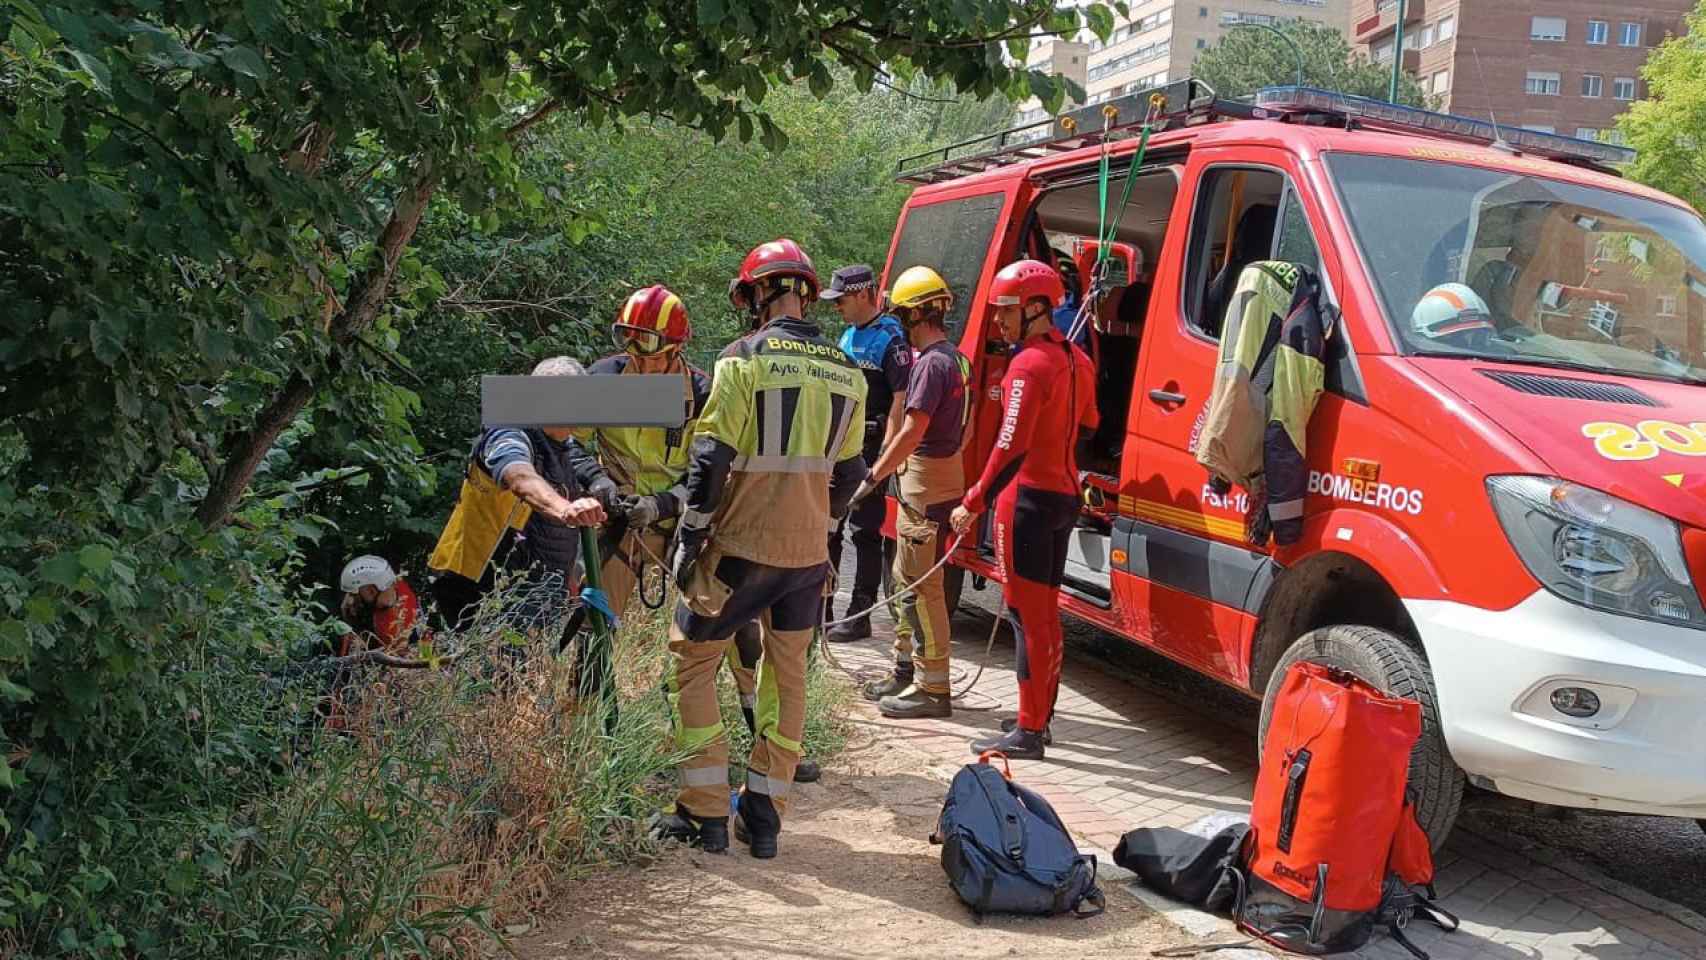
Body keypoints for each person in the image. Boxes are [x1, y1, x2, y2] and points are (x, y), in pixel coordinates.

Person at [654, 239, 867, 858]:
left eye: (748, 295)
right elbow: (851, 473)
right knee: (788, 675)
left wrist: (690, 536)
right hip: (807, 560)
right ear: (805, 291)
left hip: (738, 550)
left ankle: (704, 810)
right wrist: (818, 525)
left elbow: (711, 457)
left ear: (759, 293)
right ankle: (765, 816)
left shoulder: (742, 358)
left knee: (693, 664)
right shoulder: (847, 371)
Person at [571, 286, 820, 783]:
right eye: (628, 340)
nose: (635, 358)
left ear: (675, 348)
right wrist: (600, 484)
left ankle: (759, 739)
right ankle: (580, 750)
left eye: (647, 346)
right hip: (621, 528)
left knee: (732, 633)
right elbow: (570, 446)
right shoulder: (605, 380)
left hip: (686, 530)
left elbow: (715, 468)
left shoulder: (704, 391)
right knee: (593, 628)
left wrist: (665, 503)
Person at [949, 260, 1097, 761]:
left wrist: (973, 501)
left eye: (1006, 311)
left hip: (1028, 501)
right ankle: (1040, 716)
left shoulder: (1028, 364)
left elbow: (1009, 444)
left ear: (1035, 307)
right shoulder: (1078, 360)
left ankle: (1030, 730)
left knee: (1024, 615)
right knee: (1045, 614)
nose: (998, 322)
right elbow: (1092, 426)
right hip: (1064, 494)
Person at [852, 266, 971, 719]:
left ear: (916, 315)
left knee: (922, 588)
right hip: (944, 476)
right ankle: (904, 671)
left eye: (902, 315)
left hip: (922, 484)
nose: (899, 325)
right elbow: (967, 427)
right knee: (906, 580)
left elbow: (908, 432)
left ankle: (933, 687)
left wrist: (872, 477)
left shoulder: (931, 365)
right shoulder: (959, 360)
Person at [426, 356, 607, 637]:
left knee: (522, 674)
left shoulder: (563, 443)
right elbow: (519, 476)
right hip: (478, 585)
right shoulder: (509, 433)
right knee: (491, 674)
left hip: (530, 587)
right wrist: (565, 509)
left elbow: (579, 464)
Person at [818, 264, 909, 641]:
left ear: (862, 294)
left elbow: (901, 402)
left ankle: (860, 614)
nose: (837, 305)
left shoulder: (892, 339)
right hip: (839, 448)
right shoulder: (847, 335)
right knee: (829, 531)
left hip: (871, 449)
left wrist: (884, 458)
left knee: (865, 532)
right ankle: (821, 607)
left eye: (841, 299)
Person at [335, 555, 427, 656]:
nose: (352, 599)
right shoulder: (397, 586)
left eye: (356, 593)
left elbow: (396, 655)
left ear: (371, 591)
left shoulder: (396, 617)